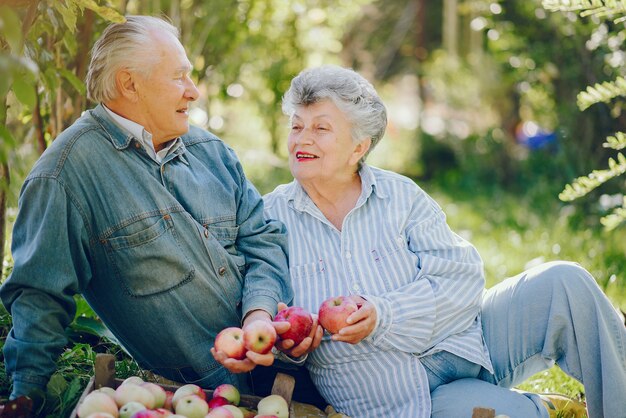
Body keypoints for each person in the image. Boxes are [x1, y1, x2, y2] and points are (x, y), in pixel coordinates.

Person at [262, 65, 626, 418]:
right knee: (488, 412)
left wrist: (384, 314)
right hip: (396, 396)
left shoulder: (400, 196)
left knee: (565, 281)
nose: (302, 138)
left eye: (320, 127)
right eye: (296, 126)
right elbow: (269, 315)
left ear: (359, 147)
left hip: (468, 343)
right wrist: (291, 347)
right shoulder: (271, 218)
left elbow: (462, 277)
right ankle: (539, 407)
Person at [0, 15, 293, 401]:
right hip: (194, 397)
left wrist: (259, 314)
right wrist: (27, 396)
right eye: (179, 77)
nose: (194, 92)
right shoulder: (66, 174)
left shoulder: (212, 152)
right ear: (129, 83)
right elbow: (39, 296)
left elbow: (264, 240)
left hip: (288, 365)